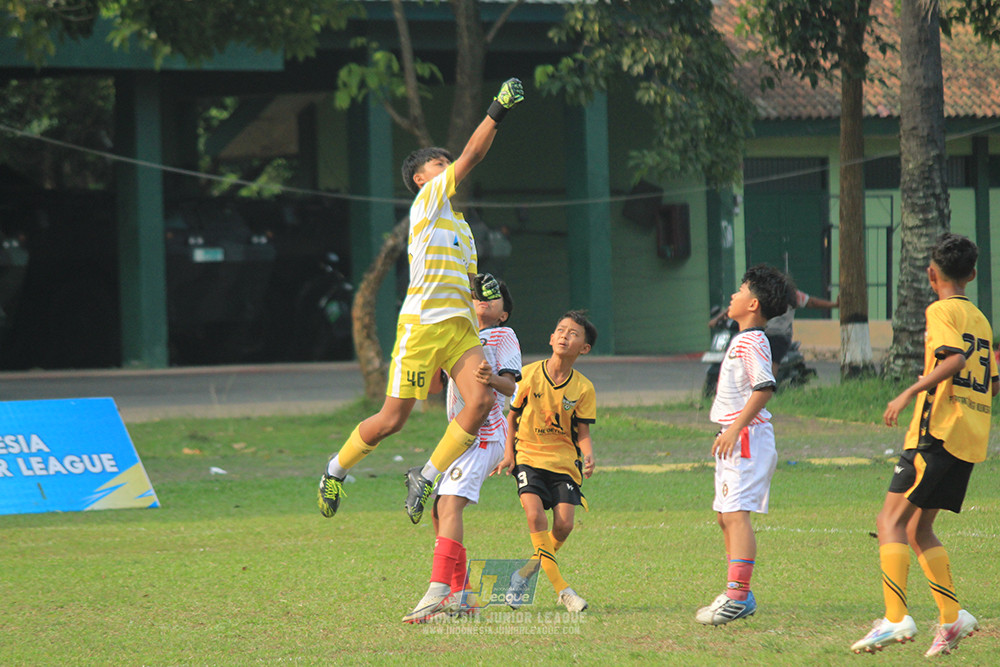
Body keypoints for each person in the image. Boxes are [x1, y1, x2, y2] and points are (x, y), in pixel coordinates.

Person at [317, 78, 525, 524]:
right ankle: (335, 471)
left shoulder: (463, 228)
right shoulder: (428, 202)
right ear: (420, 178)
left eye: (446, 163)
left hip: (459, 330)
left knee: (483, 402)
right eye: (438, 163)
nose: (447, 165)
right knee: (393, 420)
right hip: (423, 325)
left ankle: (426, 475)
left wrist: (481, 289)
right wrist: (497, 110)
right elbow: (471, 155)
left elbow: (469, 287)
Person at [850, 233, 997, 656]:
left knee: (889, 522)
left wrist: (908, 392)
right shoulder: (981, 319)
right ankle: (953, 618)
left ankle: (895, 617)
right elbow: (992, 381)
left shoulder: (939, 310)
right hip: (968, 439)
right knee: (919, 528)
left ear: (931, 275)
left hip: (936, 435)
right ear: (971, 274)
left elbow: (954, 360)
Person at [402, 280, 522, 623]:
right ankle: (464, 595)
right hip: (458, 436)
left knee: (449, 504)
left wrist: (490, 378)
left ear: (505, 313)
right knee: (440, 513)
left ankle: (438, 592)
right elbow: (434, 387)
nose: (482, 299)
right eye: (475, 295)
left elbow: (511, 386)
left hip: (485, 435)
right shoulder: (458, 339)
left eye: (493, 295)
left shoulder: (503, 335)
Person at [696, 264, 791, 626]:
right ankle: (738, 593)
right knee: (725, 516)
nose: (733, 296)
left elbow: (764, 387)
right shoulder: (743, 339)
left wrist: (735, 429)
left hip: (747, 439)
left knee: (736, 515)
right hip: (736, 437)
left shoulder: (753, 340)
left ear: (752, 304)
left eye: (739, 291)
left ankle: (737, 595)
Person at [492, 310, 597, 613]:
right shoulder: (530, 374)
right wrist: (510, 453)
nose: (565, 335)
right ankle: (562, 589)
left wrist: (588, 455)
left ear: (584, 348)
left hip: (563, 463)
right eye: (560, 330)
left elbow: (583, 433)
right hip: (528, 456)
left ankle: (523, 574)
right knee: (535, 516)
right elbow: (511, 417)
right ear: (551, 338)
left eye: (573, 333)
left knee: (564, 525)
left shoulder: (584, 388)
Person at [764, 287, 837, 371]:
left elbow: (811, 302)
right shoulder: (758, 294)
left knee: (773, 360)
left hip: (779, 336)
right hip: (762, 334)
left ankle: (770, 382)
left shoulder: (789, 293)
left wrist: (834, 305)